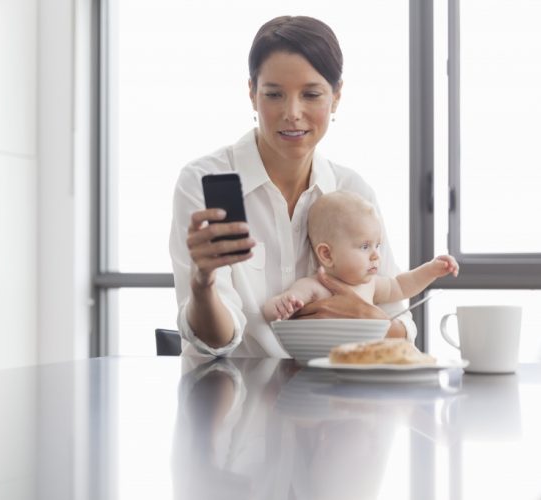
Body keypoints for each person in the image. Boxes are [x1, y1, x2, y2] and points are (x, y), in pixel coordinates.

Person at [169, 15, 417, 357]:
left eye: (311, 94)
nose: (293, 112)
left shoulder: (352, 190)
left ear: (337, 96)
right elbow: (217, 341)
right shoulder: (201, 181)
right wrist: (202, 283)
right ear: (252, 94)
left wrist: (366, 318)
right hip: (232, 398)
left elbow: (400, 327)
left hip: (332, 399)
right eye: (274, 94)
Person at [262, 191, 459, 321]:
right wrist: (281, 305)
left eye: (378, 245)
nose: (375, 255)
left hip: (361, 362)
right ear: (327, 254)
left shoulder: (370, 285)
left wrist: (431, 270)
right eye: (365, 246)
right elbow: (271, 310)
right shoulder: (314, 286)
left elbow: (402, 286)